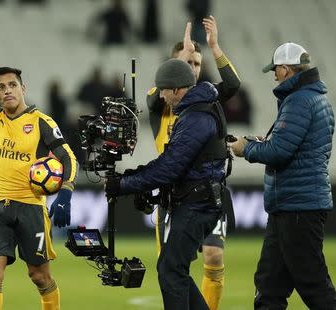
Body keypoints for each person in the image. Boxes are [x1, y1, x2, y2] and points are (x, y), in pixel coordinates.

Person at [0, 18, 78, 310]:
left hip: (31, 208)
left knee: (39, 275)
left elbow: (67, 156)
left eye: (12, 85)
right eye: (0, 87)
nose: (7, 90)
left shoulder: (41, 122)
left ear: (23, 88)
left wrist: (67, 191)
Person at [106, 57, 231, 309]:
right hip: (201, 200)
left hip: (198, 204)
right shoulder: (199, 110)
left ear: (176, 89)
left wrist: (124, 184)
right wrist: (135, 174)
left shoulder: (195, 118)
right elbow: (171, 163)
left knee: (171, 269)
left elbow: (170, 168)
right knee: (173, 268)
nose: (161, 96)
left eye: (163, 90)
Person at [229, 42, 336, 309]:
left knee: (314, 286)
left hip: (298, 206)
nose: (274, 76)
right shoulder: (316, 98)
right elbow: (293, 146)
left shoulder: (298, 101)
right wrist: (261, 141)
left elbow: (279, 151)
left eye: (276, 70)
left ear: (286, 69)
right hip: (292, 205)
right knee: (269, 288)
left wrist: (247, 148)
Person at [146, 16, 240, 310]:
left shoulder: (208, 96)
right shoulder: (162, 98)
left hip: (204, 192)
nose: (192, 68)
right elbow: (151, 101)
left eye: (197, 63)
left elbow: (234, 84)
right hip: (172, 194)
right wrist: (182, 59)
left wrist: (214, 46)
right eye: (186, 62)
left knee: (213, 256)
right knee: (172, 268)